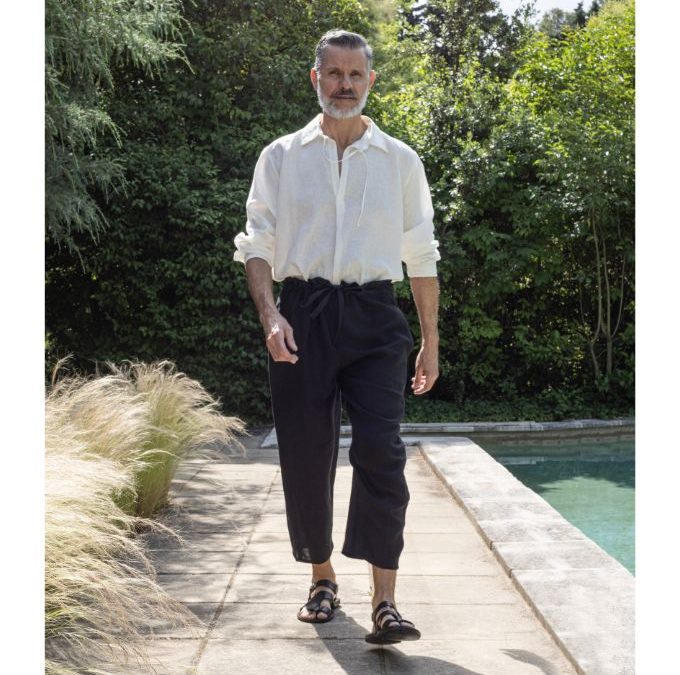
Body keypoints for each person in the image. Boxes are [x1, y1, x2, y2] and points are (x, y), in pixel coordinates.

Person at [233, 29, 440, 644]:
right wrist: (271, 316)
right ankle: (321, 577)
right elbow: (257, 243)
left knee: (383, 451)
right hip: (304, 312)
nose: (344, 85)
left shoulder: (400, 161)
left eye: (355, 75)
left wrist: (430, 339)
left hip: (376, 316)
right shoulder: (280, 157)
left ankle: (386, 600)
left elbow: (421, 255)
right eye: (334, 74)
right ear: (315, 78)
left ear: (370, 81)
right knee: (306, 451)